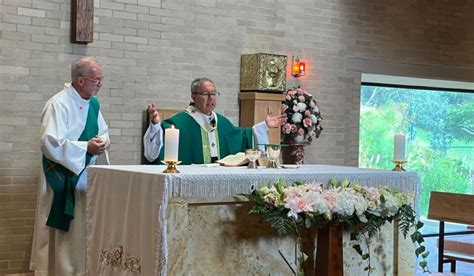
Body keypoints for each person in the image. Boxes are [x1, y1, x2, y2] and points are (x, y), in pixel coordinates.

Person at [30, 57, 110, 276]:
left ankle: (81, 269)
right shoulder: (58, 103)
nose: (100, 84)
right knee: (63, 232)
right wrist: (86, 147)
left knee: (83, 227)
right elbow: (49, 142)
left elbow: (102, 132)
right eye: (97, 80)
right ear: (81, 80)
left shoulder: (93, 103)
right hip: (62, 176)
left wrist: (101, 142)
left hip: (86, 176)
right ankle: (58, 271)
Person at [143, 77, 286, 165]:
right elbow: (154, 152)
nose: (211, 98)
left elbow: (242, 136)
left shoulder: (222, 122)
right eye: (205, 94)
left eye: (214, 94)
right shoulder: (178, 123)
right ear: (193, 96)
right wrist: (156, 124)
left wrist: (264, 126)